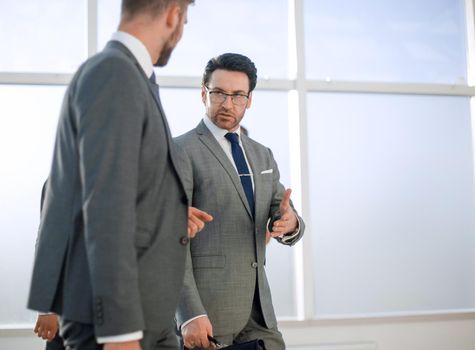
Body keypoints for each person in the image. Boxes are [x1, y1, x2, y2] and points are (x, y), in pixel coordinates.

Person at [27, 1, 212, 350]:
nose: (182, 31)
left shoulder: (130, 76)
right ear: (173, 14)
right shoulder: (115, 74)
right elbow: (105, 210)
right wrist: (119, 334)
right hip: (120, 327)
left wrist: (166, 216)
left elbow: (109, 189)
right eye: (185, 20)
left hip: (146, 318)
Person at [175, 53, 305, 350]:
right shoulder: (180, 150)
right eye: (218, 93)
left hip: (260, 312)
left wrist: (290, 222)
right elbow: (172, 240)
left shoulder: (262, 154)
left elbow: (282, 208)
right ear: (203, 93)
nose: (227, 103)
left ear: (249, 99)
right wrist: (188, 313)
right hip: (208, 312)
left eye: (237, 95)